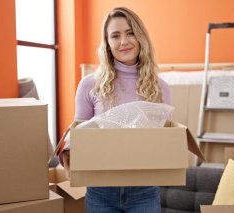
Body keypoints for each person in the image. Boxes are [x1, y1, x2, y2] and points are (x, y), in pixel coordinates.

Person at [59, 7, 171, 213]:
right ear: (108, 44)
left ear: (140, 37)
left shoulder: (160, 87)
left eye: (130, 33)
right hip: (100, 191)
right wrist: (68, 150)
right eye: (115, 36)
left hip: (144, 192)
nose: (124, 42)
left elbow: (163, 141)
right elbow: (78, 130)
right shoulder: (89, 85)